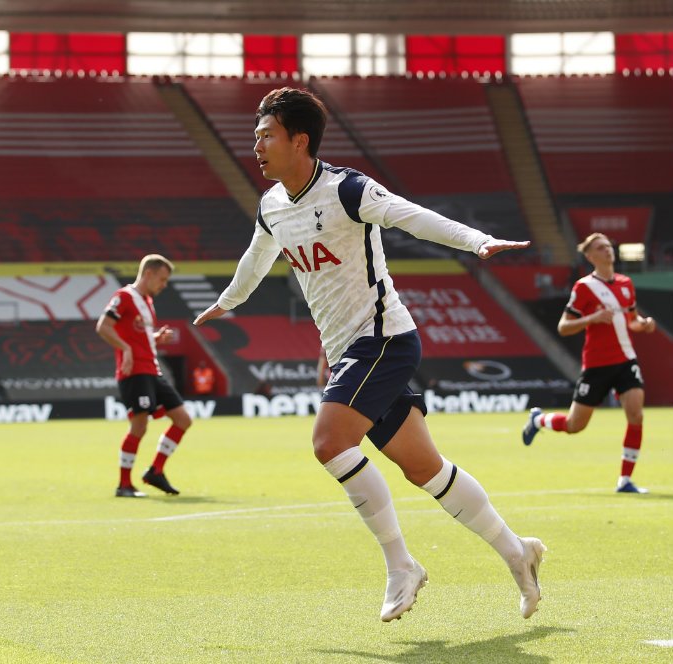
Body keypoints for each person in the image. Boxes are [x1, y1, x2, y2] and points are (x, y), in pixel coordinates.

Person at [193, 87, 543, 622]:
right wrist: (227, 301)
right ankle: (519, 552)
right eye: (256, 137)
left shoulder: (347, 189)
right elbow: (256, 257)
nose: (257, 146)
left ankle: (401, 564)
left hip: (383, 339)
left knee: (329, 441)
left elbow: (409, 216)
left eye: (267, 136)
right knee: (426, 469)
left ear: (300, 140)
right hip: (345, 349)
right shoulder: (271, 206)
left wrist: (476, 241)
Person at [522, 232, 657, 493]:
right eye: (600, 247)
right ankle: (539, 420)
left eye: (608, 246)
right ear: (589, 256)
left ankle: (625, 480)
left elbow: (632, 321)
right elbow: (564, 327)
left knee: (636, 415)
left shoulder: (626, 283)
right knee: (575, 426)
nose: (607, 250)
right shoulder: (584, 287)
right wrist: (591, 319)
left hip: (626, 360)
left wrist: (645, 324)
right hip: (596, 365)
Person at [96, 254, 192, 498]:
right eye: (162, 279)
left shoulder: (146, 302)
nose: (164, 285)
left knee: (183, 420)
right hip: (134, 372)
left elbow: (138, 336)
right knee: (139, 426)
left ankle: (155, 471)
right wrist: (126, 349)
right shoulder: (124, 297)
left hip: (152, 370)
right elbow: (103, 327)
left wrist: (156, 338)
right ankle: (124, 484)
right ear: (148, 273)